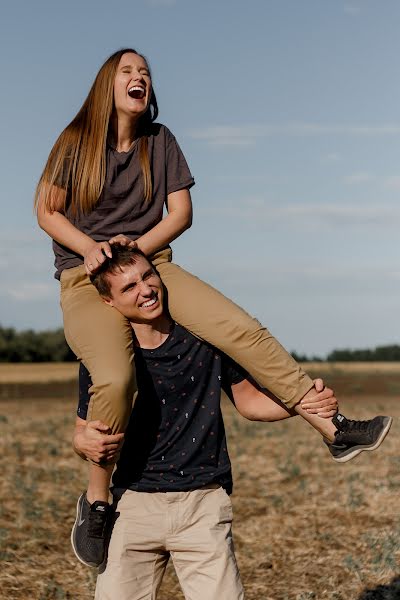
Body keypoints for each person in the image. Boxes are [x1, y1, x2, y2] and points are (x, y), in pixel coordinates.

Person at [34, 49, 391, 547]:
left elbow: (180, 214)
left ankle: (332, 427)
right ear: (105, 87)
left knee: (240, 328)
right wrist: (92, 250)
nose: (139, 78)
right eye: (127, 72)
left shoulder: (161, 141)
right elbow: (46, 211)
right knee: (114, 376)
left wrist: (135, 251)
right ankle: (96, 501)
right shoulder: (75, 142)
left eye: (145, 73)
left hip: (151, 263)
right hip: (85, 276)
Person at [71, 245, 391, 578]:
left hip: (203, 499)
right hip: (132, 504)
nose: (146, 290)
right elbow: (82, 434)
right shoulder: (106, 360)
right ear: (109, 301)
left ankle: (334, 431)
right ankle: (95, 504)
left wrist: (304, 403)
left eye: (148, 276)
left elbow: (250, 402)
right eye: (129, 287)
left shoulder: (205, 338)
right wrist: (85, 444)